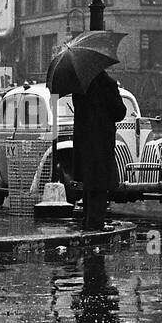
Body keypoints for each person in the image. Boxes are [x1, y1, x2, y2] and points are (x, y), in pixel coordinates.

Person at [71, 69, 126, 230]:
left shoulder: (79, 86)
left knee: (88, 182)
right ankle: (96, 223)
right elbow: (119, 112)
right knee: (101, 183)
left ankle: (88, 220)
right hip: (101, 140)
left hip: (83, 140)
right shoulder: (108, 84)